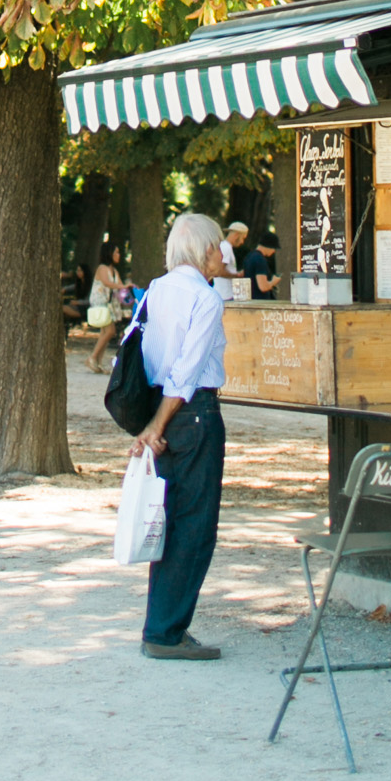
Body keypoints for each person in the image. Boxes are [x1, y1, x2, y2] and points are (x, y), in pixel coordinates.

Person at [130, 214, 227, 660]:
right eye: (218, 246)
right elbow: (186, 373)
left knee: (167, 523)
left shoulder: (154, 290)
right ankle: (166, 632)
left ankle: (161, 625)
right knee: (195, 525)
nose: (221, 254)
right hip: (193, 414)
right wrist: (158, 424)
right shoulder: (205, 298)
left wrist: (149, 423)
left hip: (160, 413)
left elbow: (140, 358)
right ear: (204, 250)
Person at [86, 241, 126, 373]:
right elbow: (107, 283)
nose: (118, 255)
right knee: (110, 331)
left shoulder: (114, 271)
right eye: (116, 252)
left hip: (108, 305)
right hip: (101, 303)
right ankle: (92, 357)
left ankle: (97, 361)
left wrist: (127, 289)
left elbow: (119, 285)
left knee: (105, 332)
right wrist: (123, 287)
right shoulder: (102, 269)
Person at [213, 220, 248, 301]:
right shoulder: (226, 248)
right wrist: (236, 276)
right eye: (243, 238)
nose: (242, 242)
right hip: (225, 295)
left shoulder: (224, 246)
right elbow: (219, 271)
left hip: (223, 294)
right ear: (236, 235)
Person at [244, 230, 281, 300]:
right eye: (274, 248)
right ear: (269, 246)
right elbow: (263, 287)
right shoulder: (260, 260)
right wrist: (274, 282)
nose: (274, 251)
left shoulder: (249, 256)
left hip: (250, 299)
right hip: (260, 301)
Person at [62, 262, 93, 328]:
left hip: (85, 309)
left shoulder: (90, 285)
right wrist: (64, 289)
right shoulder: (79, 283)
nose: (78, 272)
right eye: (77, 270)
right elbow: (72, 287)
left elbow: (89, 300)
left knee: (63, 308)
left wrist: (77, 302)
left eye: (80, 270)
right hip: (78, 307)